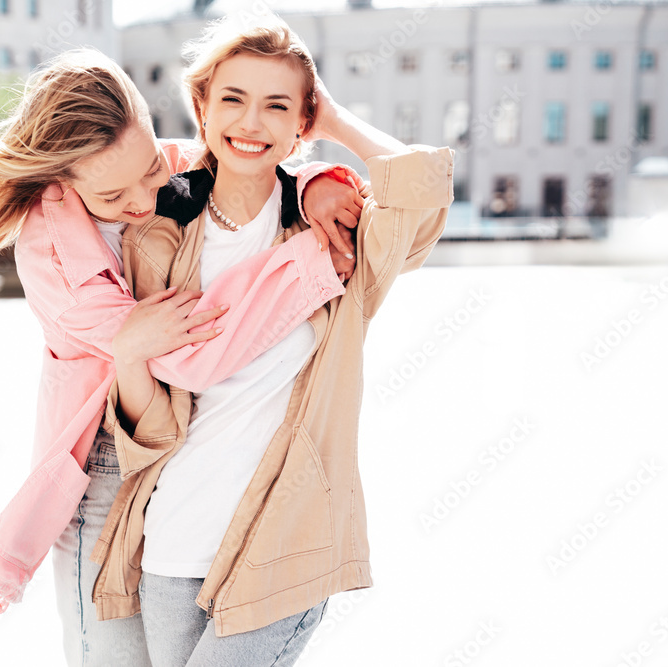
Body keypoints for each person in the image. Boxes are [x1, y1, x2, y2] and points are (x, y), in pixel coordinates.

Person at [0, 48, 364, 665]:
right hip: (103, 472)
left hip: (174, 461)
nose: (146, 197)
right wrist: (307, 265)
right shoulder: (54, 259)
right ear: (61, 180)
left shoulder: (143, 161)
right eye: (115, 195)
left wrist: (323, 182)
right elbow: (188, 359)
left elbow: (237, 163)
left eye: (149, 170)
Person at [93, 14, 455, 666]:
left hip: (282, 545)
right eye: (232, 98)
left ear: (301, 122)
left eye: (277, 105)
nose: (251, 122)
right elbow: (152, 428)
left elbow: (420, 189)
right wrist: (129, 353)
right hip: (171, 543)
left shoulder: (337, 236)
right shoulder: (157, 236)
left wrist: (335, 124)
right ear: (201, 107)